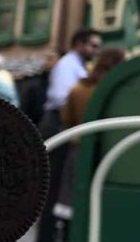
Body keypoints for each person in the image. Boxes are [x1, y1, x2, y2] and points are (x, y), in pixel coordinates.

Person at [36, 28, 102, 242]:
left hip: (63, 123)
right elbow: (61, 96)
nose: (96, 50)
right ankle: (46, 235)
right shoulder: (67, 65)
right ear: (79, 44)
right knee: (54, 180)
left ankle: (54, 231)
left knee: (61, 179)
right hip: (58, 123)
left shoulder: (77, 65)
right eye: (93, 45)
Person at [54, 47, 128, 225]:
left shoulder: (79, 88)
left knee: (74, 191)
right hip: (108, 149)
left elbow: (66, 117)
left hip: (79, 143)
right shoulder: (119, 89)